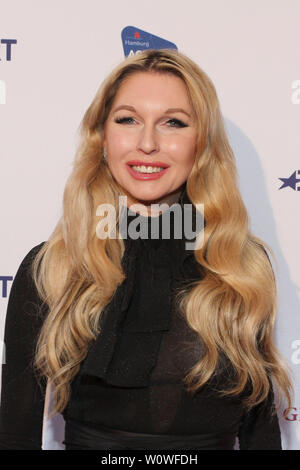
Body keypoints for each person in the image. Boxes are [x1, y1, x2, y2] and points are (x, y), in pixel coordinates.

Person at [0, 49, 293, 450]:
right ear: (102, 136)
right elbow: (15, 432)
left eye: (173, 122)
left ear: (202, 143)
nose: (148, 143)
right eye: (128, 120)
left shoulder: (242, 264)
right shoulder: (52, 267)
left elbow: (261, 432)